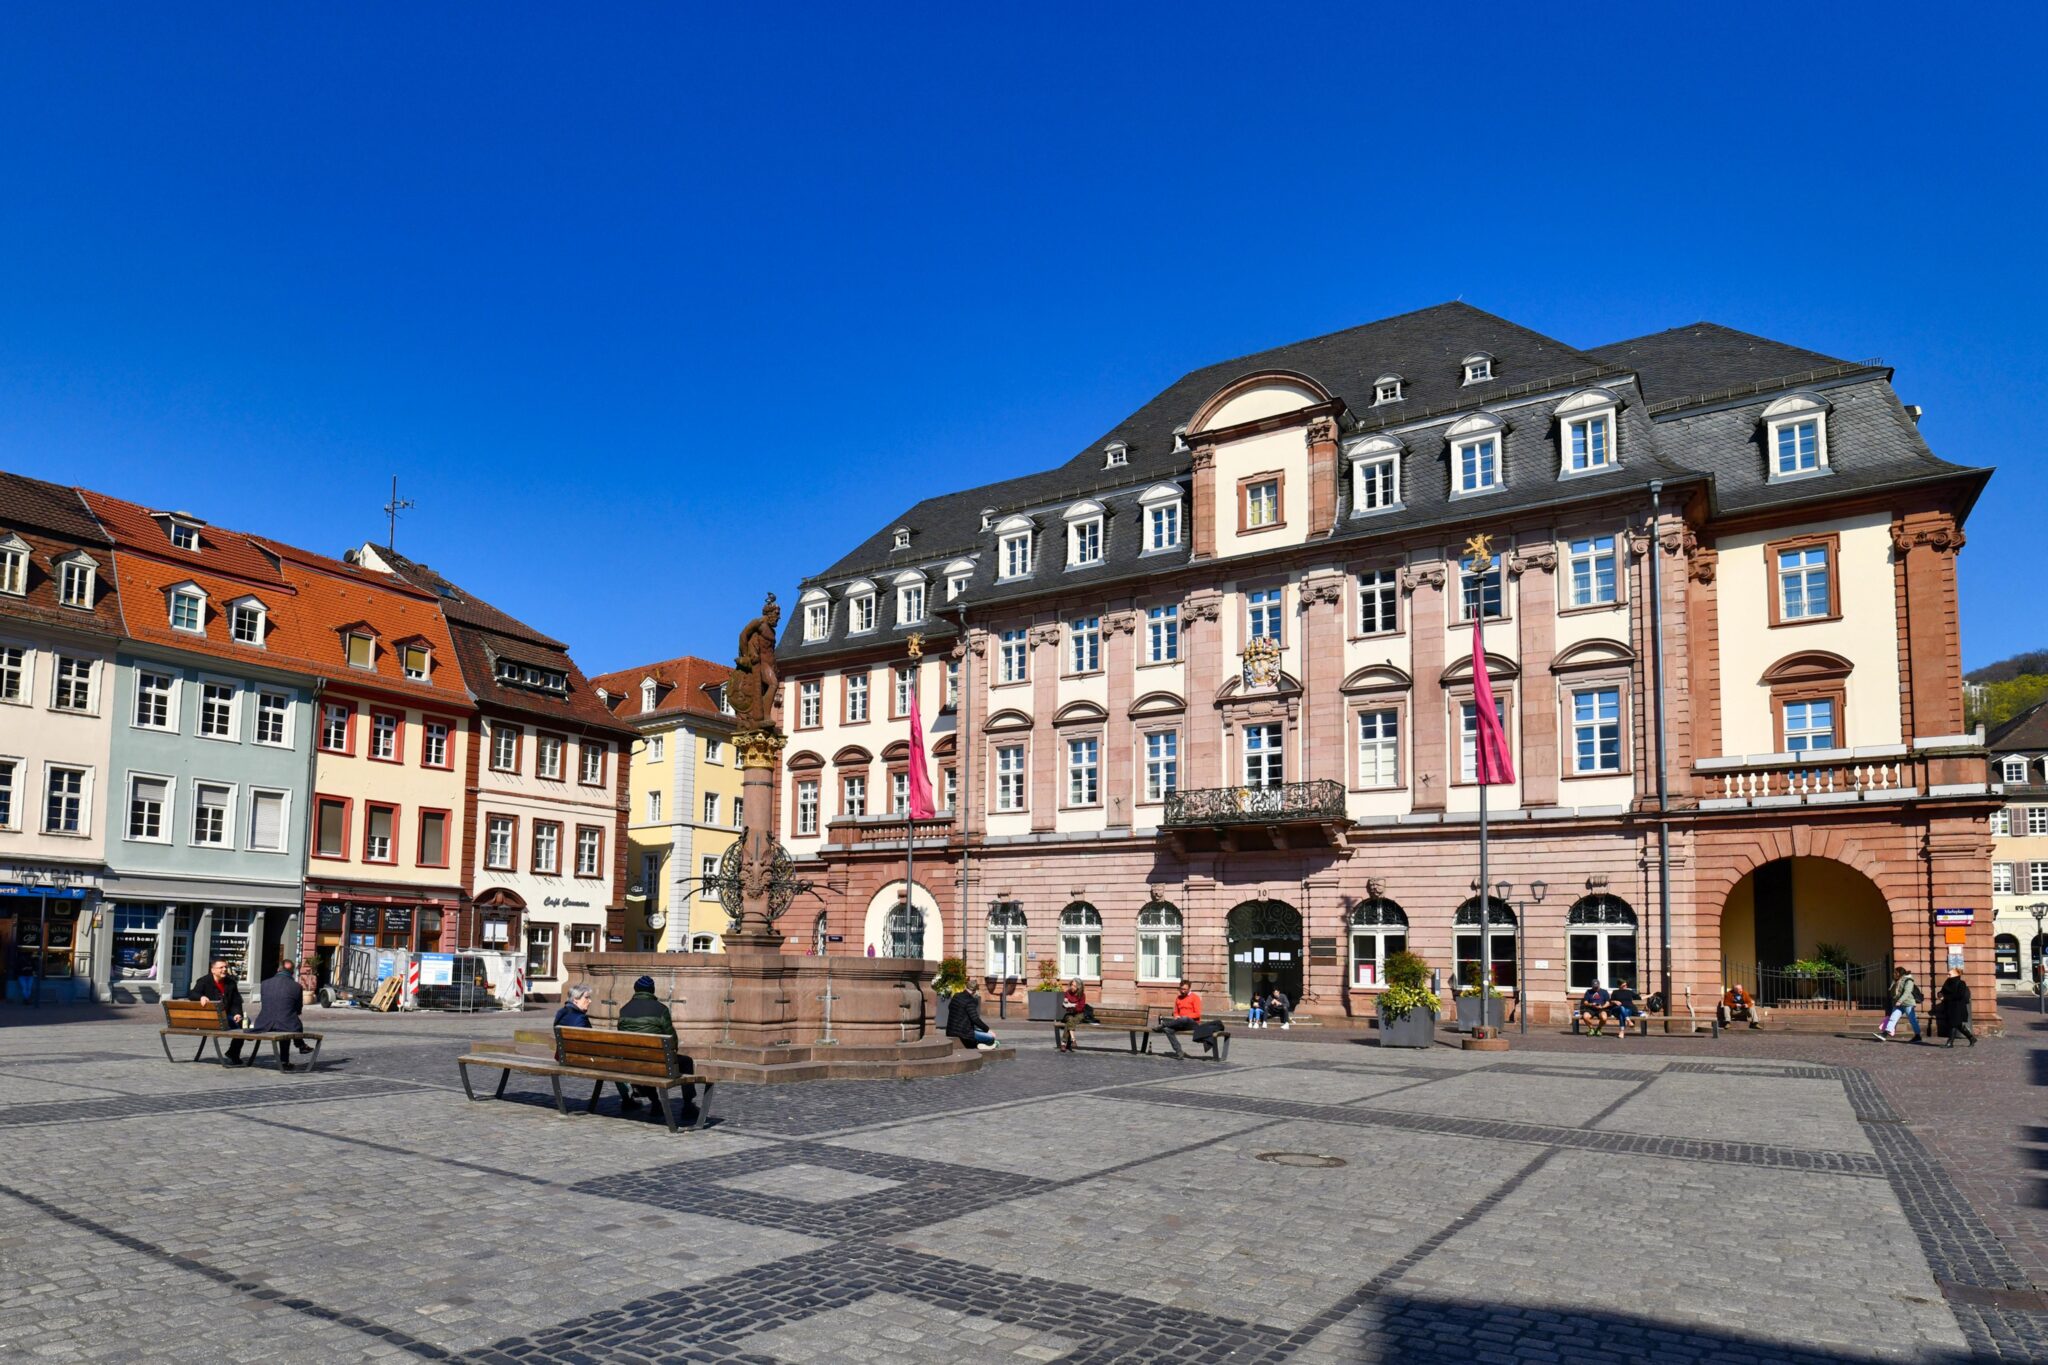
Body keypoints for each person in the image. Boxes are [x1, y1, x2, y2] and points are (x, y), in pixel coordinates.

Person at [616, 975, 697, 1116]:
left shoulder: (624, 1010)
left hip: (632, 1062)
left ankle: (655, 1102)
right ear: (652, 991)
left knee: (645, 1060)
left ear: (635, 990)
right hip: (658, 1062)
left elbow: (622, 1036)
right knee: (687, 1061)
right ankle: (688, 1105)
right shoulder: (661, 1010)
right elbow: (672, 1040)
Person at [188, 958, 248, 1064]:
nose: (224, 969)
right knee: (242, 1027)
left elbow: (236, 1001)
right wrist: (201, 997)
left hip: (225, 1016)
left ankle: (233, 1052)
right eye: (221, 967)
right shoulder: (204, 981)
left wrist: (237, 1013)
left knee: (245, 1023)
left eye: (225, 967)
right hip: (210, 1019)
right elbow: (192, 994)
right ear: (213, 970)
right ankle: (234, 1053)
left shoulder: (230, 982)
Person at [250, 959, 305, 1071]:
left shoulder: (264, 983)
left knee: (285, 1021)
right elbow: (298, 1010)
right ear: (292, 972)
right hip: (287, 1024)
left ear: (278, 969)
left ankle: (298, 1048)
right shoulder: (296, 986)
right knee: (289, 1022)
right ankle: (287, 1059)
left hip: (263, 1023)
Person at [944, 983, 998, 1050]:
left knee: (978, 1029)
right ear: (975, 991)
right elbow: (975, 1019)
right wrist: (988, 1030)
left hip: (950, 1030)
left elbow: (950, 1007)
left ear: (965, 987)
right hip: (964, 1033)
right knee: (991, 1037)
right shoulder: (970, 1001)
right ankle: (983, 1045)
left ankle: (981, 1044)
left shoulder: (956, 996)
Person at [1876, 966, 1923, 1043]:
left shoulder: (1908, 980)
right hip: (1899, 1004)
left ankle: (1918, 1036)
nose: (1893, 974)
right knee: (1893, 1018)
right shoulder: (1896, 980)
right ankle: (1884, 1034)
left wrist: (1900, 1001)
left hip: (1908, 1003)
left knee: (1912, 1020)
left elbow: (1907, 992)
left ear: (1899, 973)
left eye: (1895, 972)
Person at [1935, 968, 1976, 1048]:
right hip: (1949, 1007)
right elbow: (1942, 991)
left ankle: (1950, 1043)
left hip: (1958, 1008)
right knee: (1958, 1025)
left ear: (1956, 975)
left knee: (1953, 1024)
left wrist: (1945, 998)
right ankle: (1971, 1038)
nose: (1948, 975)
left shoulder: (1961, 983)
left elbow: (1959, 995)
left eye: (1950, 974)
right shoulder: (1947, 982)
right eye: (1948, 974)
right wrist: (1940, 994)